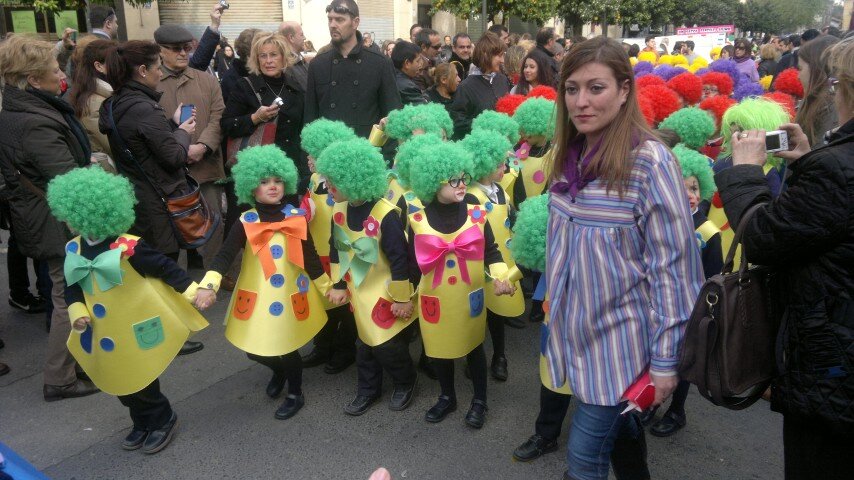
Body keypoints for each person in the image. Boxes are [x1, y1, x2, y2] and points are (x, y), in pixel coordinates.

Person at [544, 36, 703, 479]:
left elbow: (675, 270)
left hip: (623, 347)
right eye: (571, 89)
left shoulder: (650, 162)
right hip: (576, 337)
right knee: (625, 437)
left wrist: (666, 361)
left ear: (624, 90)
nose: (581, 101)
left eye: (596, 88)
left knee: (583, 459)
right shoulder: (568, 156)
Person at [713, 36, 854, 480]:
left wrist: (746, 172)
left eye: (834, 83)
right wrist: (811, 159)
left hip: (834, 366)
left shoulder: (839, 169)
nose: (831, 92)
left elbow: (761, 236)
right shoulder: (836, 164)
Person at [49, 167, 209, 454]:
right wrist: (76, 312)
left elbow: (165, 267)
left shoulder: (128, 247)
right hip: (103, 332)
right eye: (70, 217)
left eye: (76, 216)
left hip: (135, 326)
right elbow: (71, 289)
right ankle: (141, 421)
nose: (71, 223)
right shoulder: (73, 249)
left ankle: (162, 419)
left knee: (142, 379)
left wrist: (193, 292)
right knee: (119, 382)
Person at [195, 145, 333, 420]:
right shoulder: (246, 221)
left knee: (288, 346)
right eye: (264, 181)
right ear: (250, 187)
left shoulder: (296, 218)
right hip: (256, 296)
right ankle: (278, 370)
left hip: (289, 294)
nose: (273, 186)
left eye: (278, 180)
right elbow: (224, 255)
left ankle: (295, 392)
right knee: (251, 348)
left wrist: (329, 289)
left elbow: (311, 258)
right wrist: (208, 284)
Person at [0, 35, 99, 401]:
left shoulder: (18, 109)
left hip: (38, 213)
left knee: (69, 291)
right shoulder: (34, 120)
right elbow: (67, 179)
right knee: (66, 295)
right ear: (33, 80)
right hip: (54, 218)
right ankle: (59, 377)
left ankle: (77, 364)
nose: (62, 76)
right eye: (55, 70)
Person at [406, 140, 515, 429]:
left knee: (474, 347)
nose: (461, 184)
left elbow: (491, 251)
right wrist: (403, 297)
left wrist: (502, 278)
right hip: (434, 298)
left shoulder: (477, 212)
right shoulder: (416, 219)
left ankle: (480, 400)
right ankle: (447, 396)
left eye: (464, 177)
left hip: (470, 296)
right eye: (453, 179)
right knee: (439, 350)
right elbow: (410, 265)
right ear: (432, 181)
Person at [99, 42, 200, 319]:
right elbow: (173, 156)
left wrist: (170, 125)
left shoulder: (116, 102)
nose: (160, 72)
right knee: (162, 263)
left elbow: (141, 145)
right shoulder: (143, 107)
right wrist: (182, 131)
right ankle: (168, 329)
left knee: (151, 261)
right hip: (159, 199)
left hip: (140, 194)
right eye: (157, 67)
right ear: (143, 70)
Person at [318, 137, 418, 415]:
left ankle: (405, 380)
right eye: (326, 181)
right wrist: (338, 284)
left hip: (385, 291)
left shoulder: (385, 214)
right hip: (358, 290)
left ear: (352, 179)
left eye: (332, 181)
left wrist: (402, 298)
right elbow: (335, 249)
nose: (328, 187)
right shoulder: (338, 210)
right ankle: (368, 389)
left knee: (387, 346)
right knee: (363, 345)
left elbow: (401, 260)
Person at [644, 143, 722, 437]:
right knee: (655, 353)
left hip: (691, 307)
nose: (689, 195)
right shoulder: (661, 223)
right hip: (658, 300)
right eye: (682, 188)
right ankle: (652, 401)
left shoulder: (707, 231)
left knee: (682, 360)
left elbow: (713, 276)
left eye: (694, 188)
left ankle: (677, 410)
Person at [154, 24, 226, 278]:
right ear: (160, 51)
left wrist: (203, 146)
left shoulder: (206, 80)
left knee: (213, 220)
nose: (183, 54)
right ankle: (176, 279)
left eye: (186, 48)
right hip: (168, 169)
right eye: (175, 49)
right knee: (172, 226)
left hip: (205, 165)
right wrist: (178, 149)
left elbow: (218, 116)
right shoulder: (150, 84)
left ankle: (215, 274)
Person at [460, 129, 524, 381]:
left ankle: (499, 355)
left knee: (497, 313)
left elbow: (510, 218)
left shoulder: (501, 191)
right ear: (484, 166)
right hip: (477, 263)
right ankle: (473, 356)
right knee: (475, 312)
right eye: (499, 164)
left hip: (500, 260)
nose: (504, 168)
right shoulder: (469, 197)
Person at [298, 119, 360, 374]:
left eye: (313, 154)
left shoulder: (344, 182)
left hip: (340, 253)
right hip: (318, 252)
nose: (309, 160)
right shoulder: (313, 179)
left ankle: (345, 349)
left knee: (345, 305)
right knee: (323, 301)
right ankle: (323, 345)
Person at [304, 0, 402, 141]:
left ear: (355, 22)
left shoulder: (380, 63)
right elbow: (310, 118)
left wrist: (382, 153)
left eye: (339, 20)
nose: (332, 25)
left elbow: (392, 115)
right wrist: (309, 154)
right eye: (330, 19)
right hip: (328, 153)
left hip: (367, 152)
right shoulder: (318, 64)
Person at [221, 33, 309, 183]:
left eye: (274, 55)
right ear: (257, 59)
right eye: (263, 56)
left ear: (284, 57)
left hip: (289, 169)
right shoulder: (245, 86)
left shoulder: (295, 86)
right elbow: (226, 125)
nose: (268, 61)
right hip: (258, 173)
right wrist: (255, 118)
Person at [448, 32, 510, 140]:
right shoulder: (466, 87)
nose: (502, 60)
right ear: (486, 54)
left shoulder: (502, 80)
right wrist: (483, 123)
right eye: (499, 56)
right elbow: (458, 122)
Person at [69, 37, 116, 173]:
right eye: (115, 62)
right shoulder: (95, 103)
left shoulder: (102, 94)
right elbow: (114, 146)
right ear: (99, 66)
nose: (121, 66)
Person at [795, 34, 840, 146]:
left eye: (800, 69)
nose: (798, 76)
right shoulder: (813, 101)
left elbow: (822, 160)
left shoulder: (832, 110)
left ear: (816, 70)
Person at [392, 41, 428, 105]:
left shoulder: (392, 75)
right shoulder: (408, 87)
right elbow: (425, 107)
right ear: (407, 63)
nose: (421, 64)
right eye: (418, 61)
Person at [279, 21, 309, 91]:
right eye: (301, 35)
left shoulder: (298, 59)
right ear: (291, 38)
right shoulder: (286, 65)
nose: (305, 38)